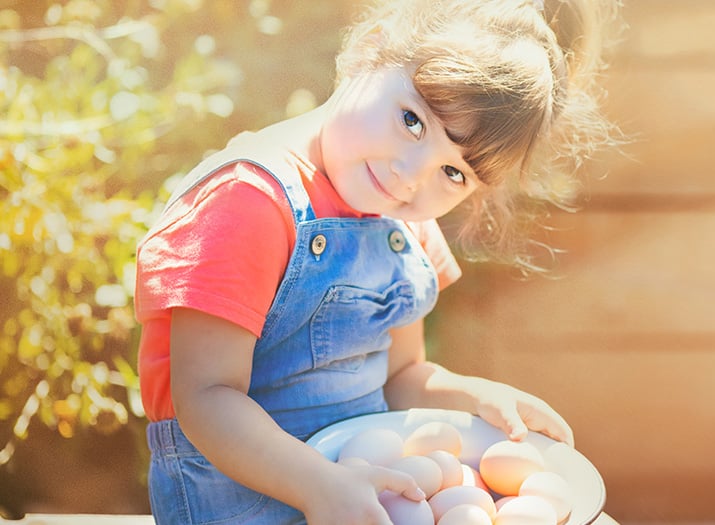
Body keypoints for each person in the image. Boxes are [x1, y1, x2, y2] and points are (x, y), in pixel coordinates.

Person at [133, 0, 622, 523]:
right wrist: (321, 486)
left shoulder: (404, 227)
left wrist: (476, 395)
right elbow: (206, 396)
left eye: (454, 174)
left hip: (356, 495)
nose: (411, 176)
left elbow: (402, 376)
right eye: (412, 121)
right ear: (372, 48)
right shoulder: (250, 201)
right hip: (240, 504)